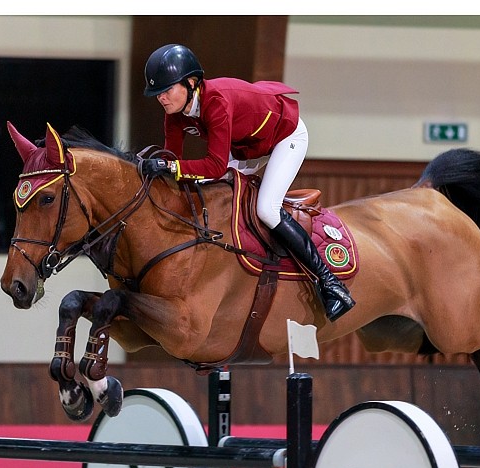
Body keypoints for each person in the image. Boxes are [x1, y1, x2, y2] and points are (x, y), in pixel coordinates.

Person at [140, 44, 355, 322]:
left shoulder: (216, 102)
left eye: (167, 90)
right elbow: (173, 158)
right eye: (157, 93)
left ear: (191, 83)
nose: (161, 98)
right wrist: (153, 167)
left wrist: (171, 167)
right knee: (213, 192)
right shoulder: (174, 113)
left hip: (285, 136)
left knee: (267, 208)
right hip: (246, 146)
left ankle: (330, 284)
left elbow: (214, 166)